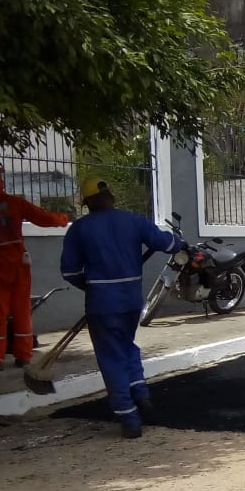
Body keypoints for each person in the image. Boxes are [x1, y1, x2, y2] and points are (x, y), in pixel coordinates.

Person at [60, 177, 181, 439]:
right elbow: (167, 244)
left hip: (101, 304)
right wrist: (177, 240)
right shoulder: (133, 221)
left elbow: (69, 271)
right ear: (110, 196)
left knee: (111, 356)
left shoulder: (80, 229)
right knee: (127, 347)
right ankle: (141, 395)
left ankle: (129, 417)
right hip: (130, 302)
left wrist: (92, 287)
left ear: (88, 203)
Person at [0, 164, 70, 371]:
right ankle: (23, 355)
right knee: (22, 308)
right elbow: (43, 217)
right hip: (19, 262)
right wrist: (63, 219)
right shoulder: (15, 203)